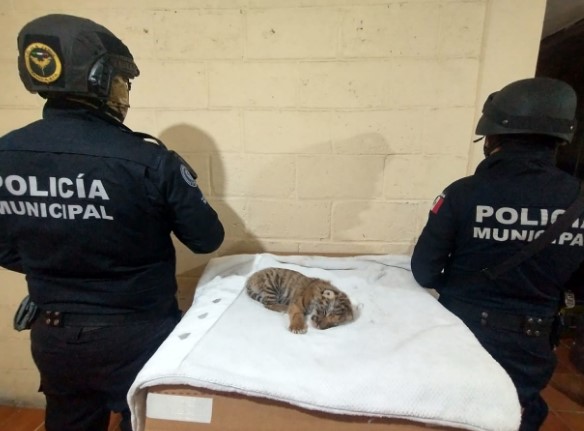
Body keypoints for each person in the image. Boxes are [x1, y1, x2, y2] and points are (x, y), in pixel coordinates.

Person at [0, 14, 224, 431]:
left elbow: (4, 248)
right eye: (123, 80)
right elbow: (207, 238)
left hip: (54, 334)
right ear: (99, 79)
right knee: (144, 423)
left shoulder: (5, 153)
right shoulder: (148, 160)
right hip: (137, 334)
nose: (126, 92)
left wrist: (52, 259)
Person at [411, 77, 584, 431]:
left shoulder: (462, 194)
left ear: (492, 138)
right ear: (560, 139)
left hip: (462, 335)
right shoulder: (580, 200)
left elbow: (424, 271)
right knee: (517, 414)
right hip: (532, 343)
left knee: (454, 413)